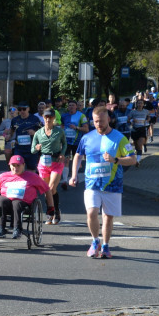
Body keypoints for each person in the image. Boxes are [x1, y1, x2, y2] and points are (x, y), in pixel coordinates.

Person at [70, 105, 137, 259]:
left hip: (112, 184)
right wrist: (74, 175)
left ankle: (106, 246)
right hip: (91, 183)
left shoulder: (120, 138)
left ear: (108, 119)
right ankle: (95, 241)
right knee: (91, 212)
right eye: (95, 121)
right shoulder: (87, 137)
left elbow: (132, 159)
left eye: (101, 121)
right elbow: (78, 156)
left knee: (107, 216)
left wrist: (116, 160)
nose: (98, 124)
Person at [0, 155, 53, 239]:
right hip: (6, 203)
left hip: (24, 205)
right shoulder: (3, 176)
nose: (15, 168)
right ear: (9, 165)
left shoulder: (32, 176)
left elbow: (47, 189)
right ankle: (0, 228)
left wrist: (51, 207)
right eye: (13, 165)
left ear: (23, 165)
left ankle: (17, 229)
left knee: (16, 203)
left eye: (18, 165)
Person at [31, 109, 65, 224]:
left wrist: (62, 153)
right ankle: (52, 211)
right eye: (46, 117)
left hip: (56, 162)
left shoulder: (59, 131)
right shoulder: (38, 133)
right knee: (47, 190)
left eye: (50, 117)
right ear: (43, 117)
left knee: (51, 188)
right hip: (43, 163)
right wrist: (36, 148)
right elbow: (32, 150)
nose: (48, 119)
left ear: (54, 118)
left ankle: (53, 212)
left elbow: (64, 144)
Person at [9, 102, 39, 169]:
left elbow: (42, 132)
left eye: (24, 109)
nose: (22, 111)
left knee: (32, 169)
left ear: (28, 109)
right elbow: (12, 131)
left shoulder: (35, 119)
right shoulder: (15, 120)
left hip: (32, 149)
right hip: (19, 149)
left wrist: (34, 133)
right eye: (20, 109)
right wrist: (9, 137)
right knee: (18, 167)